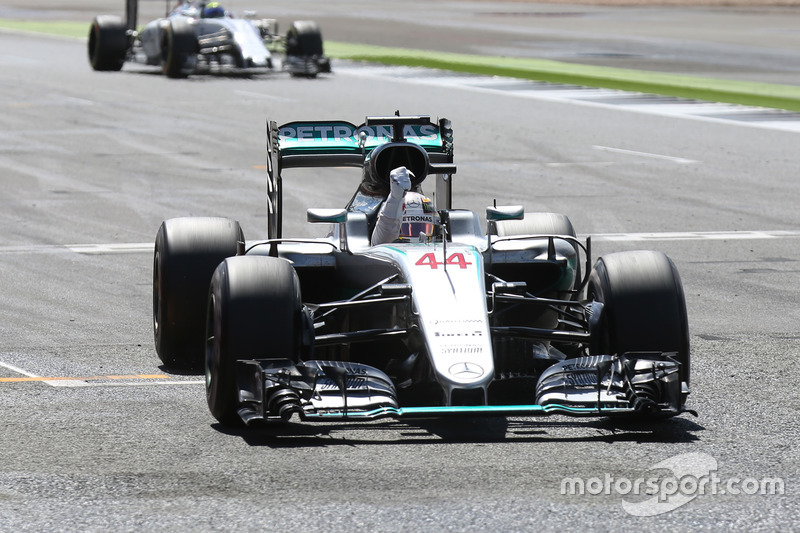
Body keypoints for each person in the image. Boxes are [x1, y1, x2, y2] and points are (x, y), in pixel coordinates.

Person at [371, 167, 438, 245]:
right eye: (407, 229)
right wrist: (395, 198)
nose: (418, 235)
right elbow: (389, 225)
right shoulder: (383, 246)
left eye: (424, 228)